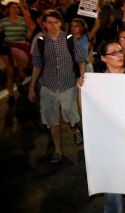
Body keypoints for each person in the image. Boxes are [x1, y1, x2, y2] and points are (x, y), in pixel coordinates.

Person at [92, 39, 125, 212]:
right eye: (114, 53)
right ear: (103, 58)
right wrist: (80, 91)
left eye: (120, 51)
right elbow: (85, 110)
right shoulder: (96, 81)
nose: (120, 55)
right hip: (109, 139)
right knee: (112, 182)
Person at [28, 10, 85, 165]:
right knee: (52, 120)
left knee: (70, 115)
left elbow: (81, 60)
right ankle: (58, 151)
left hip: (68, 85)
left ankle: (75, 128)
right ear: (44, 24)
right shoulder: (39, 41)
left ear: (60, 23)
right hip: (48, 86)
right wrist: (32, 87)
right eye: (49, 22)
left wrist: (82, 78)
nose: (52, 25)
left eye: (55, 22)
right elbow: (37, 66)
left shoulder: (70, 40)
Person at [0, 0, 36, 104]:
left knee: (24, 73)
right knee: (10, 73)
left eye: (17, 7)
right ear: (8, 9)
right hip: (7, 48)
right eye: (13, 7)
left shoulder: (23, 20)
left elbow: (28, 36)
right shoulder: (3, 21)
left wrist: (30, 32)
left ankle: (18, 80)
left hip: (21, 47)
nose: (16, 9)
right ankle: (11, 95)